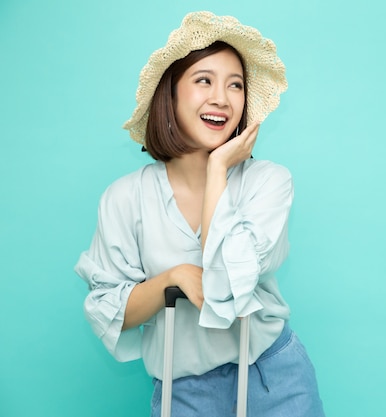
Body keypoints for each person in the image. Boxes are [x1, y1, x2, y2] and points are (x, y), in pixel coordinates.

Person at [75, 11, 325, 417]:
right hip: (184, 389)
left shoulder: (269, 182)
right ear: (170, 94)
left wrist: (217, 169)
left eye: (235, 85)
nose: (222, 98)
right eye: (203, 80)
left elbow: (227, 275)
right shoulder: (124, 197)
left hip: (272, 375)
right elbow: (111, 312)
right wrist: (172, 279)